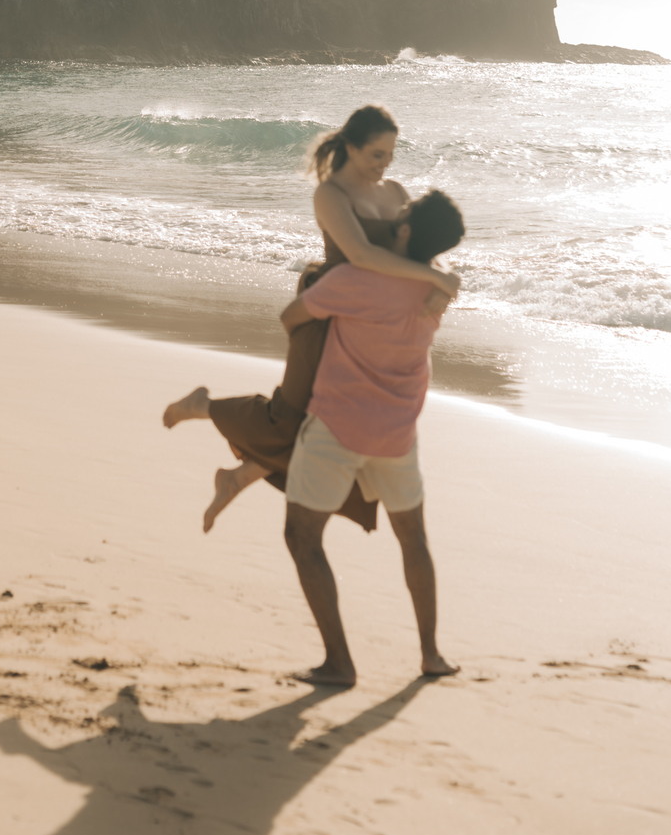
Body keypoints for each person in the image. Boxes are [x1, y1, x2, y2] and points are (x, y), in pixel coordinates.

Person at [163, 106, 461, 532]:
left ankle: (238, 477)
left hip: (369, 325)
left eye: (391, 154)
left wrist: (445, 280)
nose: (385, 164)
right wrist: (437, 278)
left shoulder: (395, 193)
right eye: (377, 154)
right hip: (327, 311)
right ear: (352, 148)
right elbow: (361, 256)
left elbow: (418, 244)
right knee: (291, 415)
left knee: (329, 426)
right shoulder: (331, 195)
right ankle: (205, 407)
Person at [280, 185, 465, 687]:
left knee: (302, 535)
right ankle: (431, 655)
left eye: (401, 214)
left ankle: (339, 662)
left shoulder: (355, 279)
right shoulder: (438, 290)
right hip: (399, 436)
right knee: (414, 540)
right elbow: (439, 272)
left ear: (403, 231)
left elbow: (291, 318)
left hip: (337, 427)